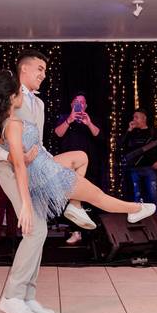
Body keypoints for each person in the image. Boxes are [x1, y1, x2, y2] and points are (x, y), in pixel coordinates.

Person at [0, 70, 155, 313]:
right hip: (46, 177)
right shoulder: (12, 124)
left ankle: (26, 296)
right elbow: (18, 165)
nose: (23, 95)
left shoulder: (8, 120)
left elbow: (24, 154)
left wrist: (31, 156)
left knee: (80, 158)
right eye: (18, 92)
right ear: (11, 96)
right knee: (97, 195)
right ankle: (134, 209)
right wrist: (25, 204)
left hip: (45, 166)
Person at [0, 50, 95, 313]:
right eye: (40, 69)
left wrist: (47, 164)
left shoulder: (39, 104)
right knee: (35, 230)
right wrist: (10, 157)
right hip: (10, 170)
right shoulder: (9, 94)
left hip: (34, 169)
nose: (44, 74)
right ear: (24, 70)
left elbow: (39, 143)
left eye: (45, 70)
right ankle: (12, 296)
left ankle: (27, 297)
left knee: (39, 231)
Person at [54, 92, 104, 244]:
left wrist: (88, 123)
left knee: (88, 198)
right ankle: (75, 231)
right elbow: (57, 134)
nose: (79, 104)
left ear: (86, 106)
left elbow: (100, 136)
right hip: (69, 166)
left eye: (82, 102)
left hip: (89, 166)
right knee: (72, 198)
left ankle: (90, 233)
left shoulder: (91, 119)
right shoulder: (64, 117)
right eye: (76, 102)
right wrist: (69, 120)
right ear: (72, 105)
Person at [121, 109, 157, 207]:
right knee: (136, 197)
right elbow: (122, 145)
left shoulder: (154, 132)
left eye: (137, 117)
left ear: (144, 118)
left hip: (149, 168)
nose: (134, 119)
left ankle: (155, 216)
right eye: (133, 117)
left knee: (153, 195)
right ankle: (138, 215)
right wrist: (129, 130)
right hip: (134, 169)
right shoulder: (132, 132)